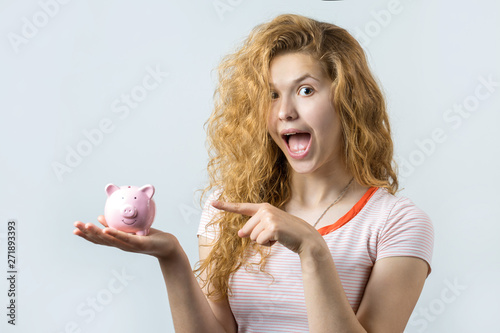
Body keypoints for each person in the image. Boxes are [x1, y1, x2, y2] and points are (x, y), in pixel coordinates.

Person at [74, 14, 434, 333]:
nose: (285, 111)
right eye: (272, 94)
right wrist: (171, 258)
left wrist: (312, 249)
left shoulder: (397, 223)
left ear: (347, 99)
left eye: (306, 90)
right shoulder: (229, 208)